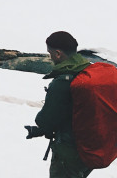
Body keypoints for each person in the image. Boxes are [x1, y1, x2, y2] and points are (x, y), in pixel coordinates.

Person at [26, 30, 93, 178]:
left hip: (69, 150)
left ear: (57, 53)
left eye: (50, 54)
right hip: (89, 147)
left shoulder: (63, 82)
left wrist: (41, 126)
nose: (50, 57)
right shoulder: (87, 70)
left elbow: (46, 120)